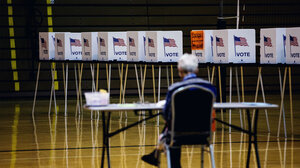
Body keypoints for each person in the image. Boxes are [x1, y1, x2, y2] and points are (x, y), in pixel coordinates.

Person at [141, 53, 217, 167]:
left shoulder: (175, 89)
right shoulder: (210, 88)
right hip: (203, 134)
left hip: (177, 135)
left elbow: (166, 115)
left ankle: (162, 156)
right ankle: (156, 153)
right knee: (172, 130)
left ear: (180, 70)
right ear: (196, 70)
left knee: (171, 132)